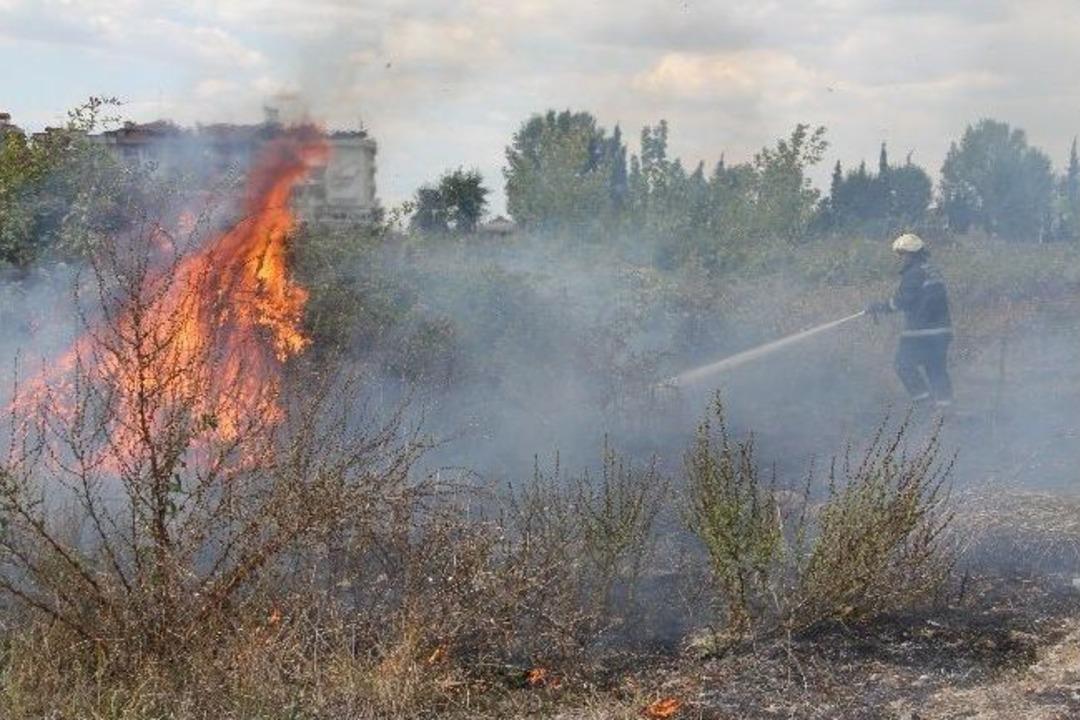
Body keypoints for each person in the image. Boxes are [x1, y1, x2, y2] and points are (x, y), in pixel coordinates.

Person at [867, 233, 954, 409]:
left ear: (911, 254)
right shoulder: (932, 270)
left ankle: (924, 404)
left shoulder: (914, 273)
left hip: (920, 332)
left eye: (902, 255)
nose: (901, 259)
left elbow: (902, 301)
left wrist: (878, 306)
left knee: (902, 364)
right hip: (942, 331)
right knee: (936, 369)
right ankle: (945, 409)